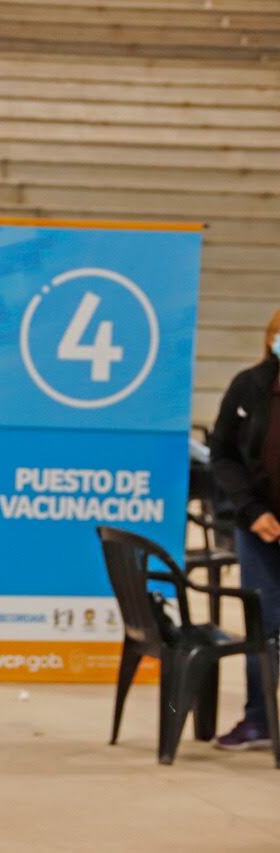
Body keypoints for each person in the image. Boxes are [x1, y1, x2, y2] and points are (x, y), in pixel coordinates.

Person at [210, 308, 280, 751]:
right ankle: (259, 718)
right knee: (265, 624)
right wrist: (253, 510)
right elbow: (223, 454)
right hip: (261, 529)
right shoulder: (249, 386)